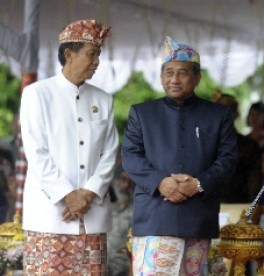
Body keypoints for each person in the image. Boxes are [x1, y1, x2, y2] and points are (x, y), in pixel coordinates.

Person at [121, 36, 237, 275]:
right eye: (168, 72)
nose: (174, 79)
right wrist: (161, 182)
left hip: (198, 218)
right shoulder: (142, 114)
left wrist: (198, 183)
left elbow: (228, 159)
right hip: (155, 218)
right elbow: (130, 157)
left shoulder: (218, 115)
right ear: (162, 77)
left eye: (182, 73)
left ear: (197, 77)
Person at [20, 19, 118, 274]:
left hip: (92, 215)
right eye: (91, 54)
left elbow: (110, 153)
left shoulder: (104, 99)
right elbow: (36, 152)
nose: (97, 61)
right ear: (68, 54)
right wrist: (68, 195)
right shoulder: (37, 94)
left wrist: (89, 193)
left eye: (99, 54)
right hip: (50, 216)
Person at [215, 94, 261, 204]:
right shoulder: (204, 144)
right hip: (209, 208)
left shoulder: (249, 146)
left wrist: (251, 211)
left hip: (239, 208)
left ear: (236, 114)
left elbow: (254, 184)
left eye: (229, 109)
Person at [107, 169, 135, 276]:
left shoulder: (135, 213)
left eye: (130, 182)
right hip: (102, 265)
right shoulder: (105, 209)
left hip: (124, 269)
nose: (126, 185)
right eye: (123, 180)